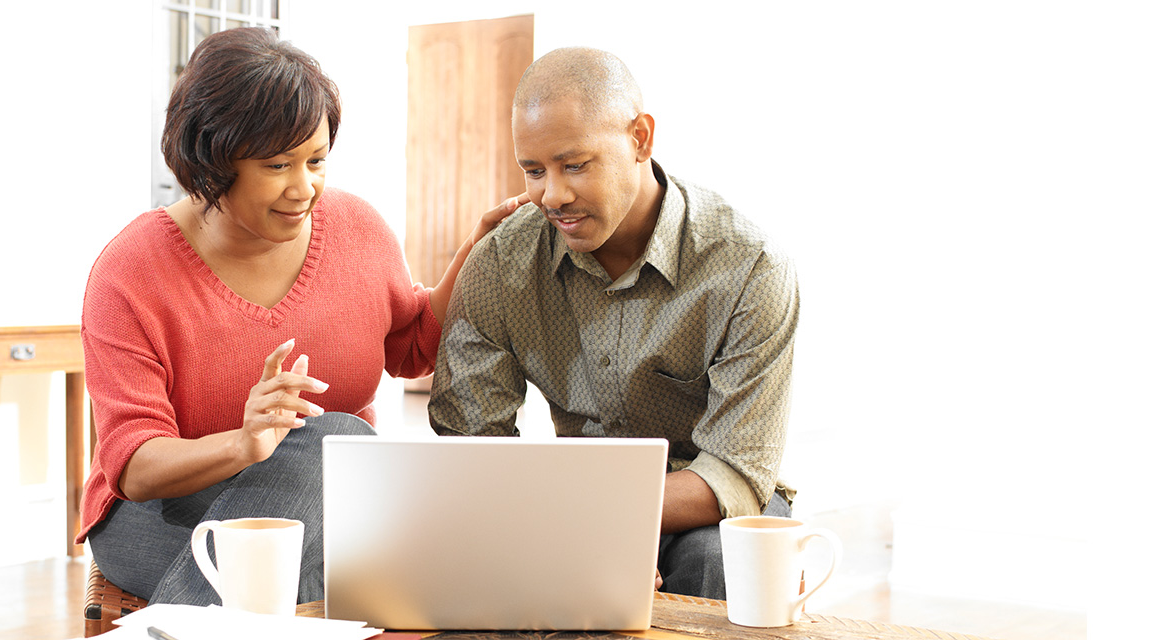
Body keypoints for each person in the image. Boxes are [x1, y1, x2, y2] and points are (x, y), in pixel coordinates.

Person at [81, 27, 522, 608]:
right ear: (211, 160)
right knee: (335, 452)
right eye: (277, 165)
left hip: (321, 501)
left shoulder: (358, 230)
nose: (305, 187)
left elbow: (412, 346)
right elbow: (134, 466)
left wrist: (474, 256)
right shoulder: (131, 272)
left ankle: (195, 621)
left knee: (333, 484)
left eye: (317, 161)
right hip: (163, 516)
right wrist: (244, 443)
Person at [428, 47, 800, 600]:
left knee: (713, 559)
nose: (552, 195)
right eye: (534, 171)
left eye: (574, 164)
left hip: (705, 502)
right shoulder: (502, 262)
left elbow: (736, 473)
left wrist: (592, 518)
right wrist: (565, 530)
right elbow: (471, 443)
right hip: (573, 498)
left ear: (640, 139)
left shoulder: (748, 265)